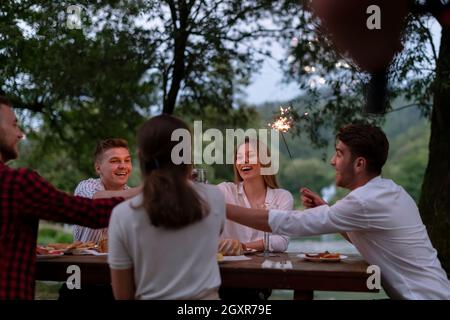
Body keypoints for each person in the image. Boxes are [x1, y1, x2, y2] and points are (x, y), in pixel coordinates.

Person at [226, 123, 450, 300]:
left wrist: (223, 209)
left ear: (359, 164)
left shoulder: (363, 201)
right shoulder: (391, 191)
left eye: (340, 154)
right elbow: (361, 235)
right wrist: (326, 208)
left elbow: (290, 223)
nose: (333, 161)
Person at [0, 96, 140, 300]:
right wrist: (152, 189)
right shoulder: (19, 182)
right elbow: (92, 211)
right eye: (14, 124)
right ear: (98, 167)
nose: (20, 134)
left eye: (127, 161)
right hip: (79, 282)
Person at [107, 114, 225, 300]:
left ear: (140, 157)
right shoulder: (214, 198)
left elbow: (123, 295)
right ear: (187, 158)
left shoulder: (123, 215)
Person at [217, 138, 293, 300]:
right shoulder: (225, 191)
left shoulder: (282, 197)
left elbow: (281, 241)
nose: (243, 160)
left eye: (250, 155)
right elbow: (199, 199)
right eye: (238, 157)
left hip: (261, 277)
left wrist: (243, 246)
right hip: (226, 276)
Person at [73, 138, 133, 243]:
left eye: (127, 160)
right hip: (83, 259)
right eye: (114, 161)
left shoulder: (132, 194)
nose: (123, 166)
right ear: (98, 168)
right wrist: (142, 192)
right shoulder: (86, 187)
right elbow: (96, 200)